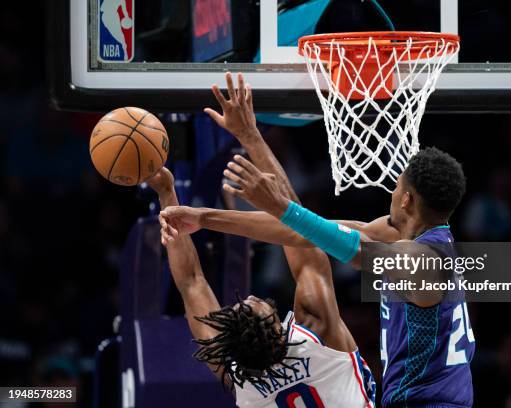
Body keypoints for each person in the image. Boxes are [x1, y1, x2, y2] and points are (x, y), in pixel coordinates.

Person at [160, 73, 475, 408]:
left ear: (407, 200)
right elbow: (307, 237)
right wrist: (228, 209)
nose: (391, 192)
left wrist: (206, 209)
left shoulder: (419, 261)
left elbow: (327, 241)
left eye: (395, 186)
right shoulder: (316, 327)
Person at [149, 75, 375, 407]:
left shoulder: (238, 374)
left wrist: (167, 193)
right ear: (277, 328)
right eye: (251, 303)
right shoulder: (316, 331)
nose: (250, 295)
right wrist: (249, 135)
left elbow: (192, 283)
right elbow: (303, 232)